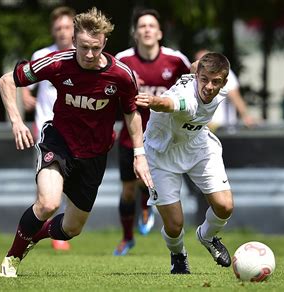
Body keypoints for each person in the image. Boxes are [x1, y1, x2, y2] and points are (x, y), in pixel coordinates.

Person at [0, 7, 153, 278]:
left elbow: (131, 113)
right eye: (84, 48)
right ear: (74, 42)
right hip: (58, 142)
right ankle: (12, 257)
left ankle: (35, 236)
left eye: (95, 47)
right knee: (48, 203)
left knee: (72, 229)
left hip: (95, 154)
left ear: (104, 43)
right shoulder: (57, 63)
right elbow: (6, 81)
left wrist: (139, 153)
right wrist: (16, 120)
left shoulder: (121, 75)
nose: (90, 54)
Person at [135, 52, 234, 274]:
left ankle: (207, 237)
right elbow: (168, 104)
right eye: (204, 79)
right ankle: (178, 255)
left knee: (225, 206)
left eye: (215, 81)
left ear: (224, 82)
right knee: (174, 224)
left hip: (198, 146)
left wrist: (198, 66)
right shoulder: (187, 98)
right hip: (161, 152)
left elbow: (196, 64)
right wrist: (153, 101)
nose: (209, 86)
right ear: (198, 76)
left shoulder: (219, 85)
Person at [113, 8, 192, 256]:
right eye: (142, 26)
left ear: (159, 33)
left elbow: (192, 91)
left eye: (151, 26)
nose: (147, 29)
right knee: (127, 189)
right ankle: (127, 238)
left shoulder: (176, 61)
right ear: (135, 33)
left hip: (163, 139)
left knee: (145, 181)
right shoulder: (122, 61)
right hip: (131, 136)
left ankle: (147, 203)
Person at [21, 6, 76, 252]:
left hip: (76, 131)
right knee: (49, 183)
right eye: (58, 28)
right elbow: (21, 77)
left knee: (68, 183)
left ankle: (52, 228)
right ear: (52, 31)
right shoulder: (44, 54)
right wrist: (25, 95)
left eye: (67, 27)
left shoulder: (83, 56)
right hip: (47, 129)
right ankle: (45, 231)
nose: (63, 32)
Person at [194, 49, 257, 129]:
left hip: (222, 127)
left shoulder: (223, 72)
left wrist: (246, 116)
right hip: (202, 128)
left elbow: (234, 95)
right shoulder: (194, 76)